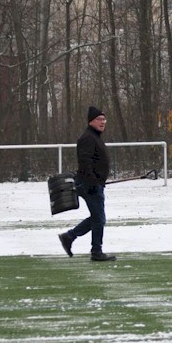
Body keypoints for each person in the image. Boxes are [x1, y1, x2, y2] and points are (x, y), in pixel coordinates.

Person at [58, 106, 116, 261]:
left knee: (98, 218)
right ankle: (96, 252)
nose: (102, 122)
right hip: (89, 185)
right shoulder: (88, 138)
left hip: (94, 184)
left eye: (104, 119)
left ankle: (69, 237)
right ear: (91, 121)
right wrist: (93, 182)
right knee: (99, 219)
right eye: (99, 119)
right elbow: (85, 162)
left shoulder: (95, 137)